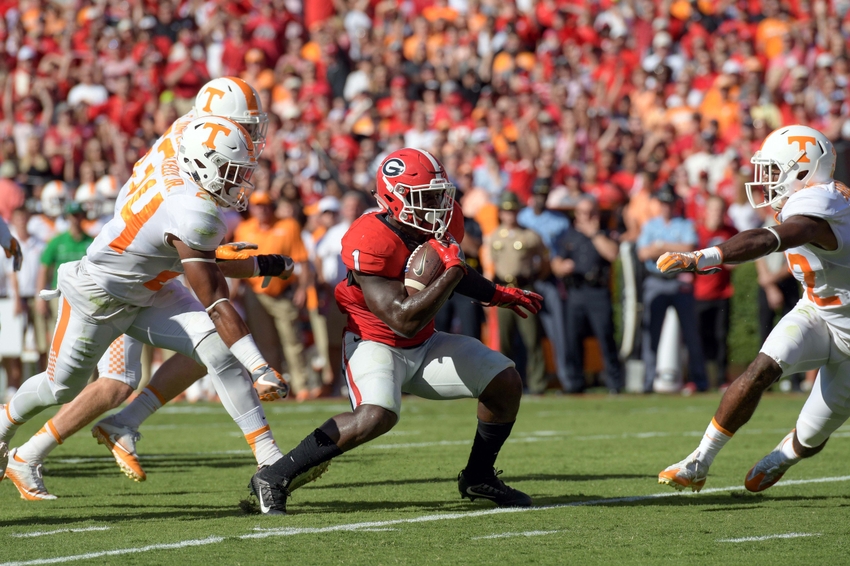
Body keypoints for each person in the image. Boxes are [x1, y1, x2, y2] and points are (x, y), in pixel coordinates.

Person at [1, 77, 292, 498]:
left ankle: (268, 456)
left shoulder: (184, 133)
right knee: (63, 386)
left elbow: (190, 251)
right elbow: (214, 295)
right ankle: (9, 430)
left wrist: (209, 254)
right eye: (245, 126)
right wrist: (261, 367)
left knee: (215, 348)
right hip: (102, 293)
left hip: (151, 280)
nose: (252, 139)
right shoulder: (193, 208)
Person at [248, 148, 542, 515]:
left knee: (505, 380)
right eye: (426, 197)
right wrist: (453, 270)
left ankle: (479, 476)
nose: (437, 204)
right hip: (375, 342)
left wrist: (497, 294)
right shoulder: (369, 237)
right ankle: (274, 477)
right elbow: (401, 318)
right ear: (393, 197)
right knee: (376, 415)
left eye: (439, 193)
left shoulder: (444, 220)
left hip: (424, 343)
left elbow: (450, 273)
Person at [656, 125, 848, 493]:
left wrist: (703, 257)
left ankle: (783, 455)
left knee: (810, 435)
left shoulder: (821, 203)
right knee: (761, 367)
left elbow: (768, 239)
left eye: (775, 170)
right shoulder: (821, 197)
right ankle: (699, 460)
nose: (769, 179)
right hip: (816, 312)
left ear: (804, 170)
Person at [234, 191, 311, 398]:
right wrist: (235, 291)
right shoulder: (244, 228)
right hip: (254, 293)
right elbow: (236, 263)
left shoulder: (288, 226)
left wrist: (303, 288)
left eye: (266, 205)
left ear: (272, 206)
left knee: (292, 340)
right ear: (252, 208)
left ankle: (302, 385)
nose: (262, 209)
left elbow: (302, 260)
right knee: (264, 342)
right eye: (258, 205)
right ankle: (276, 387)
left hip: (282, 292)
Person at [636, 183, 709, 393]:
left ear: (674, 204)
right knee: (652, 332)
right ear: (659, 204)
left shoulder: (684, 224)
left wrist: (660, 247)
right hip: (656, 280)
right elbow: (642, 253)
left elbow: (689, 248)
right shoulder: (650, 225)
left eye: (670, 203)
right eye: (664, 203)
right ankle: (648, 382)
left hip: (679, 280)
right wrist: (672, 249)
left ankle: (700, 380)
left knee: (691, 332)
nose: (667, 207)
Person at [551, 196, 623, 393]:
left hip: (597, 290)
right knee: (572, 339)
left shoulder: (604, 233)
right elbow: (555, 262)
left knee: (605, 337)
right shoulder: (568, 235)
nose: (586, 217)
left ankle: (614, 382)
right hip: (575, 290)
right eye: (582, 213)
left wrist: (594, 234)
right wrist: (561, 267)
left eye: (590, 213)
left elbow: (612, 254)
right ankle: (575, 383)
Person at [490, 191, 549, 394]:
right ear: (501, 213)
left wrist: (535, 278)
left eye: (513, 211)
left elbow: (544, 261)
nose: (510, 215)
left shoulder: (530, 235)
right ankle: (505, 383)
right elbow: (491, 265)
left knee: (532, 338)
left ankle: (538, 383)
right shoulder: (494, 236)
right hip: (503, 290)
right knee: (504, 340)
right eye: (506, 211)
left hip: (523, 288)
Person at [517, 178, 571, 389]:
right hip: (525, 279)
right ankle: (526, 379)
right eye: (538, 194)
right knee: (526, 334)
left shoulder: (559, 221)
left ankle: (566, 379)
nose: (541, 198)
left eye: (544, 194)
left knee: (558, 330)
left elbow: (566, 247)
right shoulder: (522, 217)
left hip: (549, 277)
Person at [693, 196, 737, 390]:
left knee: (721, 337)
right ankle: (699, 378)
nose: (716, 214)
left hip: (722, 293)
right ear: (706, 211)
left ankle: (720, 378)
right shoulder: (696, 232)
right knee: (699, 338)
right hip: (698, 294)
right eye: (713, 209)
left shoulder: (731, 232)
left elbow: (738, 259)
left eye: (720, 210)